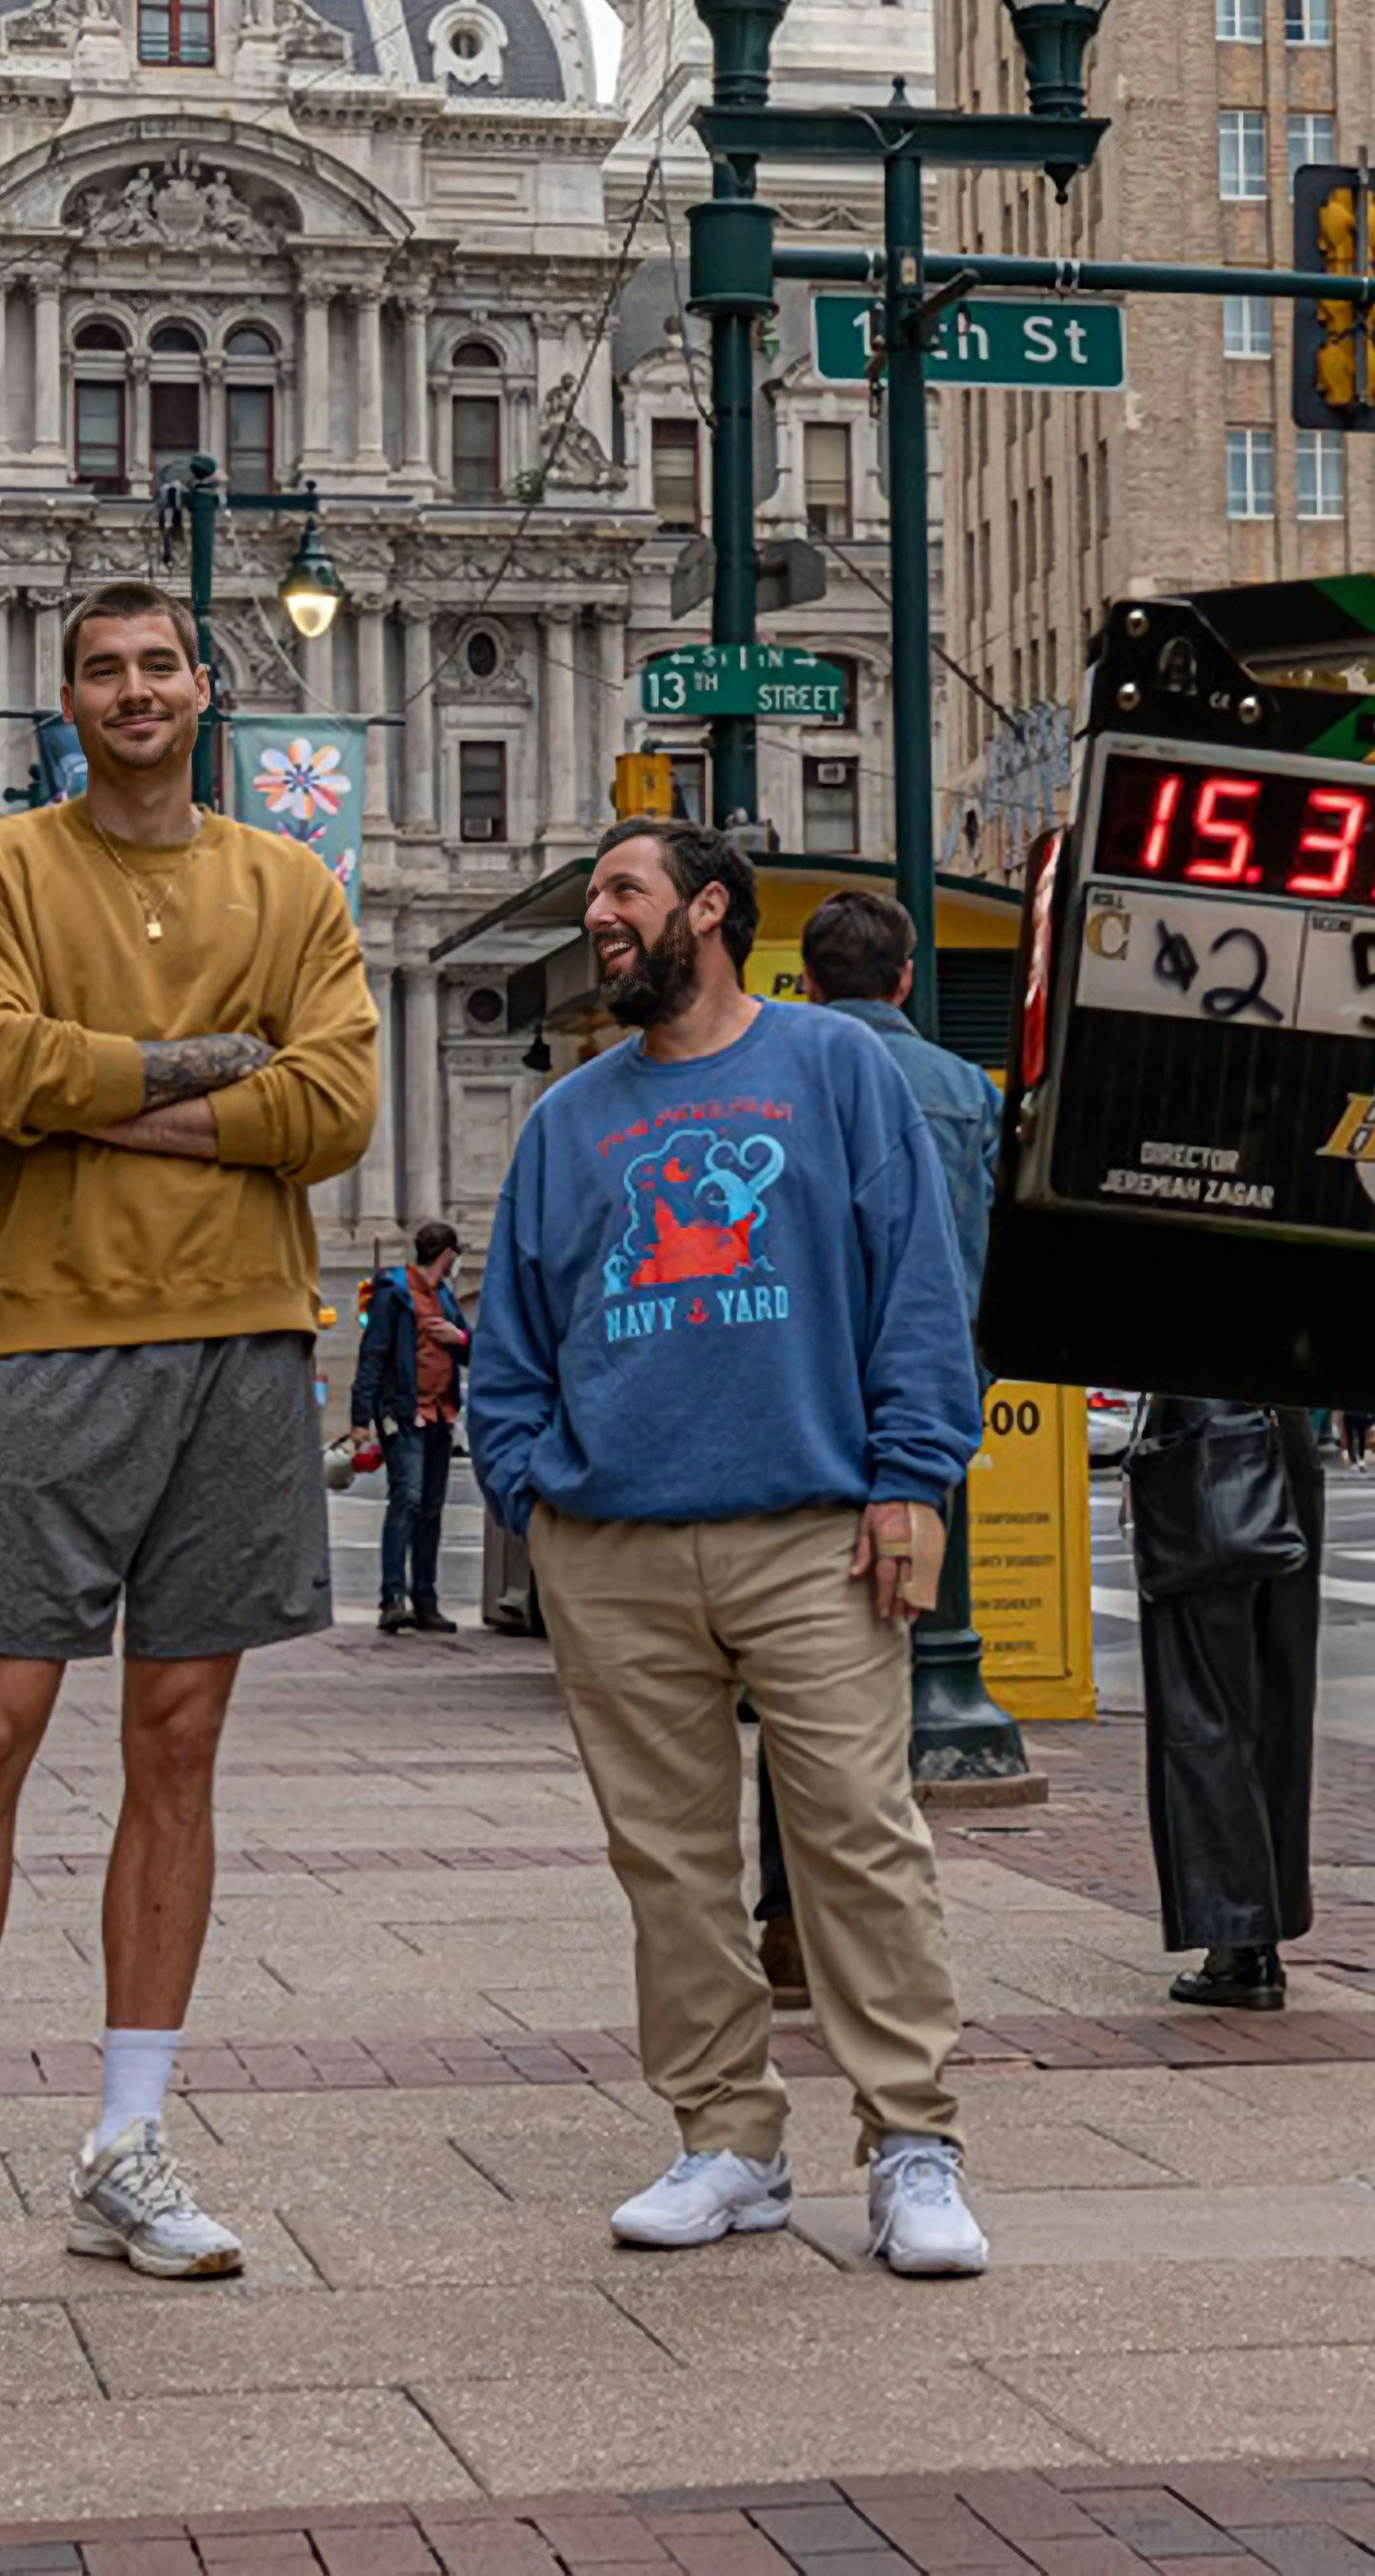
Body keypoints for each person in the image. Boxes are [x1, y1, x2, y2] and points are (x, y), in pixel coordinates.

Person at [0, 578, 374, 2301]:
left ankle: (128, 2143)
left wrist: (124, 1098)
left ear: (206, 691)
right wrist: (210, 1080)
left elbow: (334, 1112)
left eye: (158, 666)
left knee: (176, 1741)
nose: (133, 691)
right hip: (53, 1337)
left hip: (247, 1342)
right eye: (102, 671)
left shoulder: (291, 880)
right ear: (67, 697)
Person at [466, 822, 990, 2279]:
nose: (601, 918)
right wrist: (532, 1499)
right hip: (614, 1547)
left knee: (858, 1844)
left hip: (813, 1531)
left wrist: (913, 1482)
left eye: (624, 893)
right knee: (672, 1866)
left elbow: (916, 1292)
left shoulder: (833, 1070)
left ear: (710, 910)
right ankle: (729, 2141)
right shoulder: (571, 1121)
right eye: (595, 900)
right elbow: (513, 1334)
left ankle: (911, 2146)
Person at [753, 889, 1002, 2010]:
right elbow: (993, 1257)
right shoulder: (964, 1091)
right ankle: (872, 1923)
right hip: (927, 1413)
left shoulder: (783, 1077)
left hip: (811, 1408)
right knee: (886, 1662)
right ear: (905, 978)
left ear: (806, 979)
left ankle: (792, 1917)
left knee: (792, 1667)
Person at [1134, 1399, 1327, 2010]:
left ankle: (1238, 1941)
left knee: (1204, 1701)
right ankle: (1263, 1926)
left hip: (1202, 1437)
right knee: (1280, 1697)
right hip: (1285, 1433)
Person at [347, 1220, 472, 1633]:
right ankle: (392, 1598)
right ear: (448, 1255)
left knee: (432, 1509)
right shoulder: (394, 1296)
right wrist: (360, 1420)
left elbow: (470, 1348)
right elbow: (373, 1356)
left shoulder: (447, 1298)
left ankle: (426, 1600)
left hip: (442, 1413)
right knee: (408, 1499)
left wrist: (460, 1339)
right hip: (405, 1412)